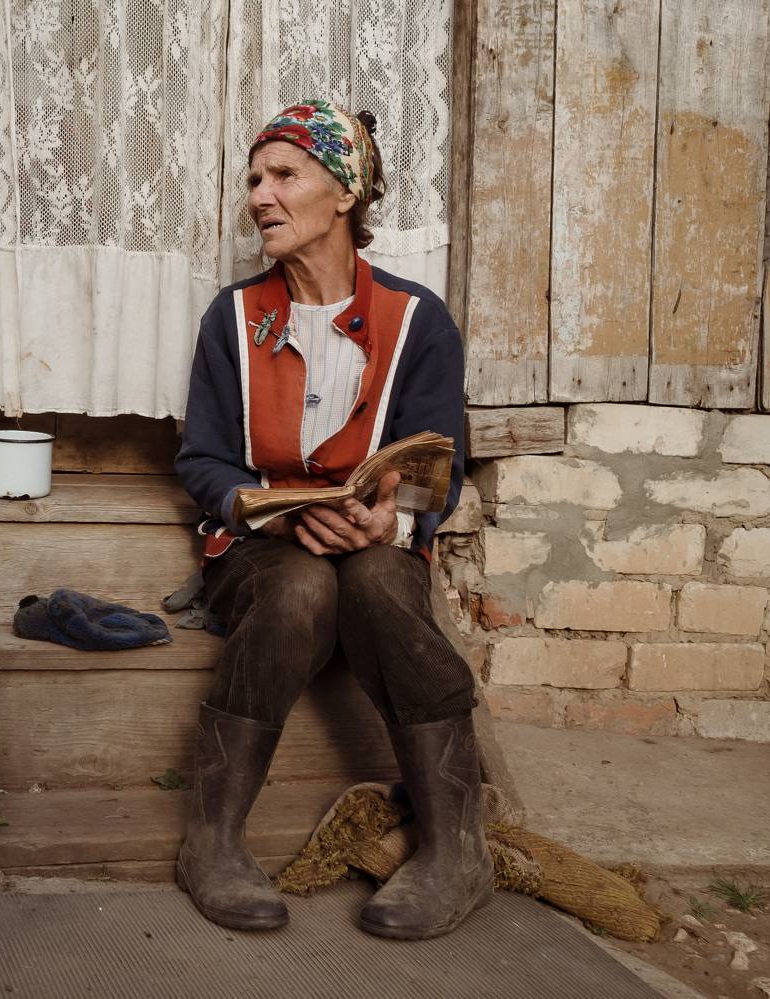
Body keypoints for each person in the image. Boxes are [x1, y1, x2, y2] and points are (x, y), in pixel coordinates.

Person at [173, 100, 486, 940]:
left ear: (345, 192)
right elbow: (202, 460)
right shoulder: (233, 318)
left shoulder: (417, 321)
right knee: (302, 588)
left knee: (380, 583)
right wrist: (268, 514)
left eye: (284, 175)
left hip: (375, 543)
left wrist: (390, 523)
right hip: (263, 548)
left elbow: (438, 464)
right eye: (254, 179)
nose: (260, 196)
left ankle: (457, 849)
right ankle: (213, 839)